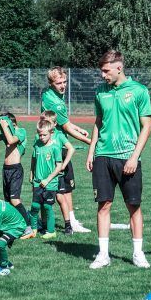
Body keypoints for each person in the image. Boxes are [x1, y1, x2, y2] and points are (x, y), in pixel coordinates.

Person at [86, 50, 151, 269]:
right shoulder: (100, 91)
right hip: (103, 156)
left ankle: (138, 254)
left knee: (133, 206)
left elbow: (146, 127)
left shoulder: (139, 90)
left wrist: (134, 156)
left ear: (119, 68)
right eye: (101, 71)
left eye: (106, 71)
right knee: (103, 205)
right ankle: (103, 255)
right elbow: (98, 122)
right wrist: (91, 151)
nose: (103, 75)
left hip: (128, 157)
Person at [41, 66, 92, 233]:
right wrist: (90, 141)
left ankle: (71, 220)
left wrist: (79, 128)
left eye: (65, 82)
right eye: (59, 83)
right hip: (58, 149)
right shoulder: (55, 102)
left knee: (67, 188)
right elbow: (66, 127)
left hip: (57, 145)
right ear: (51, 83)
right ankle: (68, 223)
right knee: (61, 190)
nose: (63, 85)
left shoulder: (49, 93)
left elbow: (65, 122)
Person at [0, 112, 32, 238]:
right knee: (8, 201)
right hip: (6, 170)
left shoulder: (21, 131)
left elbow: (11, 140)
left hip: (15, 170)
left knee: (15, 200)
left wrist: (5, 126)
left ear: (12, 123)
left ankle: (28, 227)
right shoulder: (7, 133)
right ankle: (14, 225)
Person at [40, 110, 76, 234]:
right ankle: (44, 224)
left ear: (55, 124)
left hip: (57, 174)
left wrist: (63, 165)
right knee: (42, 199)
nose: (45, 124)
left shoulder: (59, 136)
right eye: (43, 121)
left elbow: (71, 149)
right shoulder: (41, 135)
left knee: (60, 197)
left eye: (48, 122)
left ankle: (68, 225)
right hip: (44, 175)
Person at [29, 119, 63, 239]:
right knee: (35, 206)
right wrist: (31, 174)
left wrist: (47, 179)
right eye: (40, 135)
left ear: (51, 133)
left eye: (44, 135)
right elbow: (33, 160)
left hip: (50, 183)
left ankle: (51, 231)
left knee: (47, 207)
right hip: (37, 182)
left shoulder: (55, 148)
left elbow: (59, 166)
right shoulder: (37, 146)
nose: (42, 137)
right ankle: (33, 229)